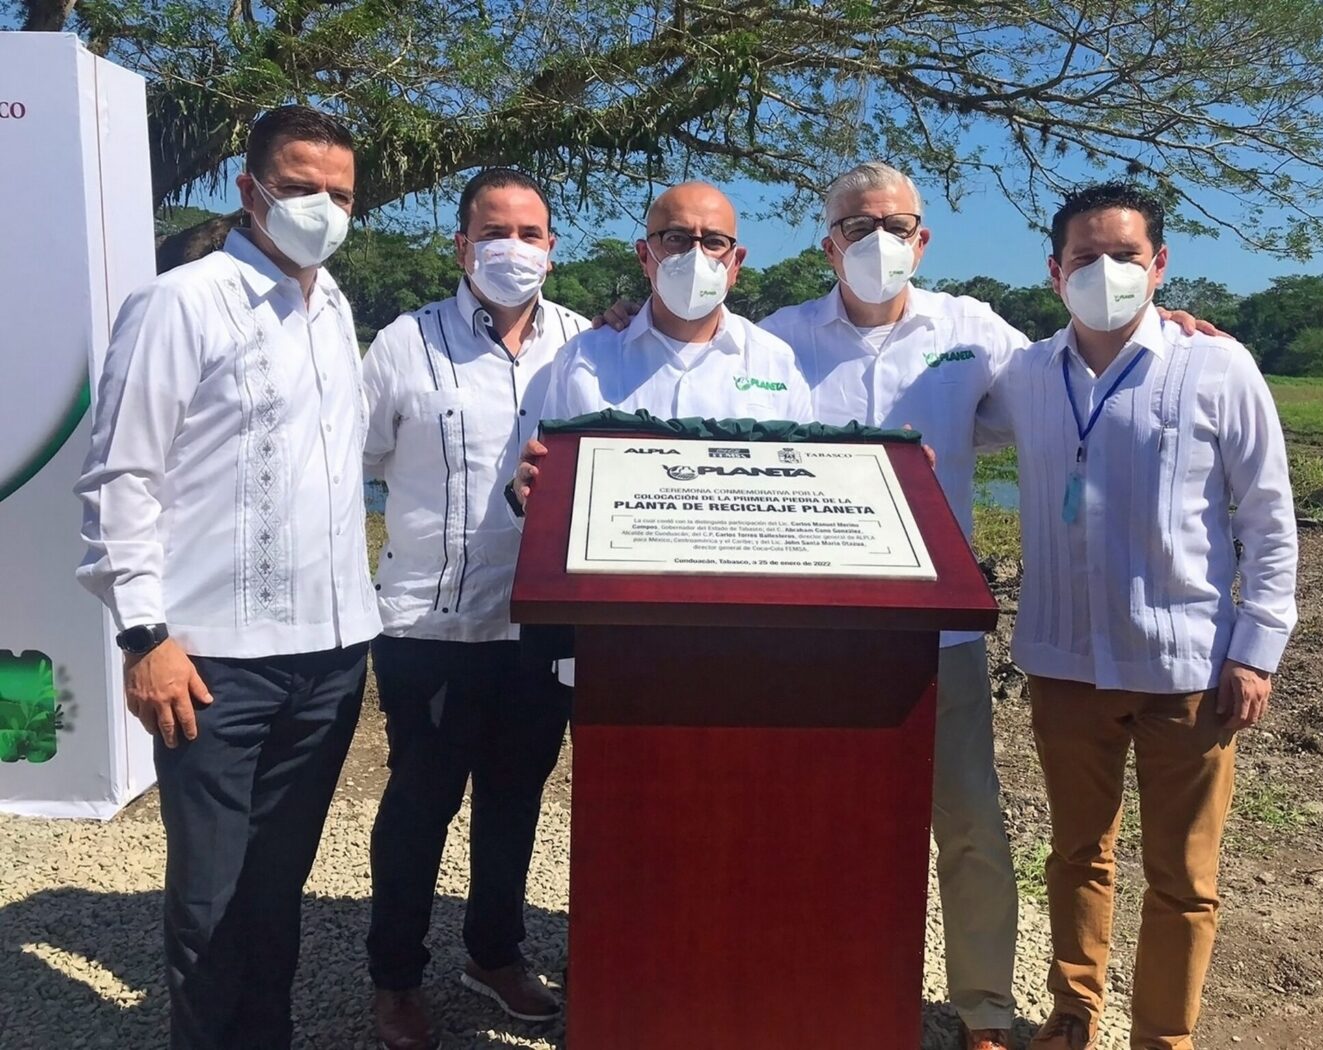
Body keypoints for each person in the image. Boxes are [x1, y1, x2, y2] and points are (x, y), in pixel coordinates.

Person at [590, 162, 1219, 1050]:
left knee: (970, 824)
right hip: (812, 636)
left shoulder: (973, 333)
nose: (877, 240)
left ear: (922, 240)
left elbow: (1073, 371)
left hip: (941, 634)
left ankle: (984, 1010)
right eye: (858, 225)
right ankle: (810, 985)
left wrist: (1163, 327)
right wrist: (624, 319)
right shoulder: (776, 342)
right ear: (828, 243)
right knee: (811, 819)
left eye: (896, 225)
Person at [75, 106, 380, 1049]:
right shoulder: (182, 302)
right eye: (298, 187)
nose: (321, 208)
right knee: (209, 901)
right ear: (249, 190)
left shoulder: (333, 307)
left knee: (276, 891)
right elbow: (120, 476)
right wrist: (143, 635)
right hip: (212, 663)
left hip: (331, 658)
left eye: (339, 194)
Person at [979, 182, 1297, 1050]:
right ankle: (1073, 1015)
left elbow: (1267, 517)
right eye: (1086, 258)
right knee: (1076, 855)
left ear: (1159, 265)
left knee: (1184, 878)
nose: (1106, 272)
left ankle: (1163, 1037)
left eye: (1126, 256)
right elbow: (933, 396)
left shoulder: (1217, 366)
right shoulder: (1024, 375)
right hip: (1065, 660)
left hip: (1187, 665)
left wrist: (1257, 650)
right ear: (1055, 273)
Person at [360, 168, 587, 1048]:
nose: (513, 248)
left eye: (530, 233)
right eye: (495, 231)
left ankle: (494, 954)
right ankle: (395, 976)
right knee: (420, 806)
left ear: (552, 250)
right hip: (432, 624)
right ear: (462, 246)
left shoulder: (583, 344)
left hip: (539, 626)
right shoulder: (404, 344)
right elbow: (351, 463)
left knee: (515, 799)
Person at [511, 180, 813, 505]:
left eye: (714, 242)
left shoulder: (776, 362)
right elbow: (547, 491)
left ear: (736, 263)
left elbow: (807, 486)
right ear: (644, 255)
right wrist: (530, 494)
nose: (696, 256)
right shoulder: (583, 358)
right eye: (676, 239)